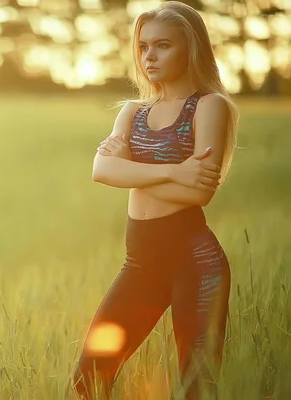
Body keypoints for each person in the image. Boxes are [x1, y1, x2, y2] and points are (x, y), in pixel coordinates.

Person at [71, 1, 239, 399]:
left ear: (191, 48)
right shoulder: (132, 112)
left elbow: (199, 192)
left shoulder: (209, 106)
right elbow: (101, 171)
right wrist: (172, 170)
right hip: (141, 264)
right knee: (89, 378)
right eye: (144, 47)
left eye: (163, 45)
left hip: (195, 265)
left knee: (197, 386)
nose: (150, 56)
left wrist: (131, 171)